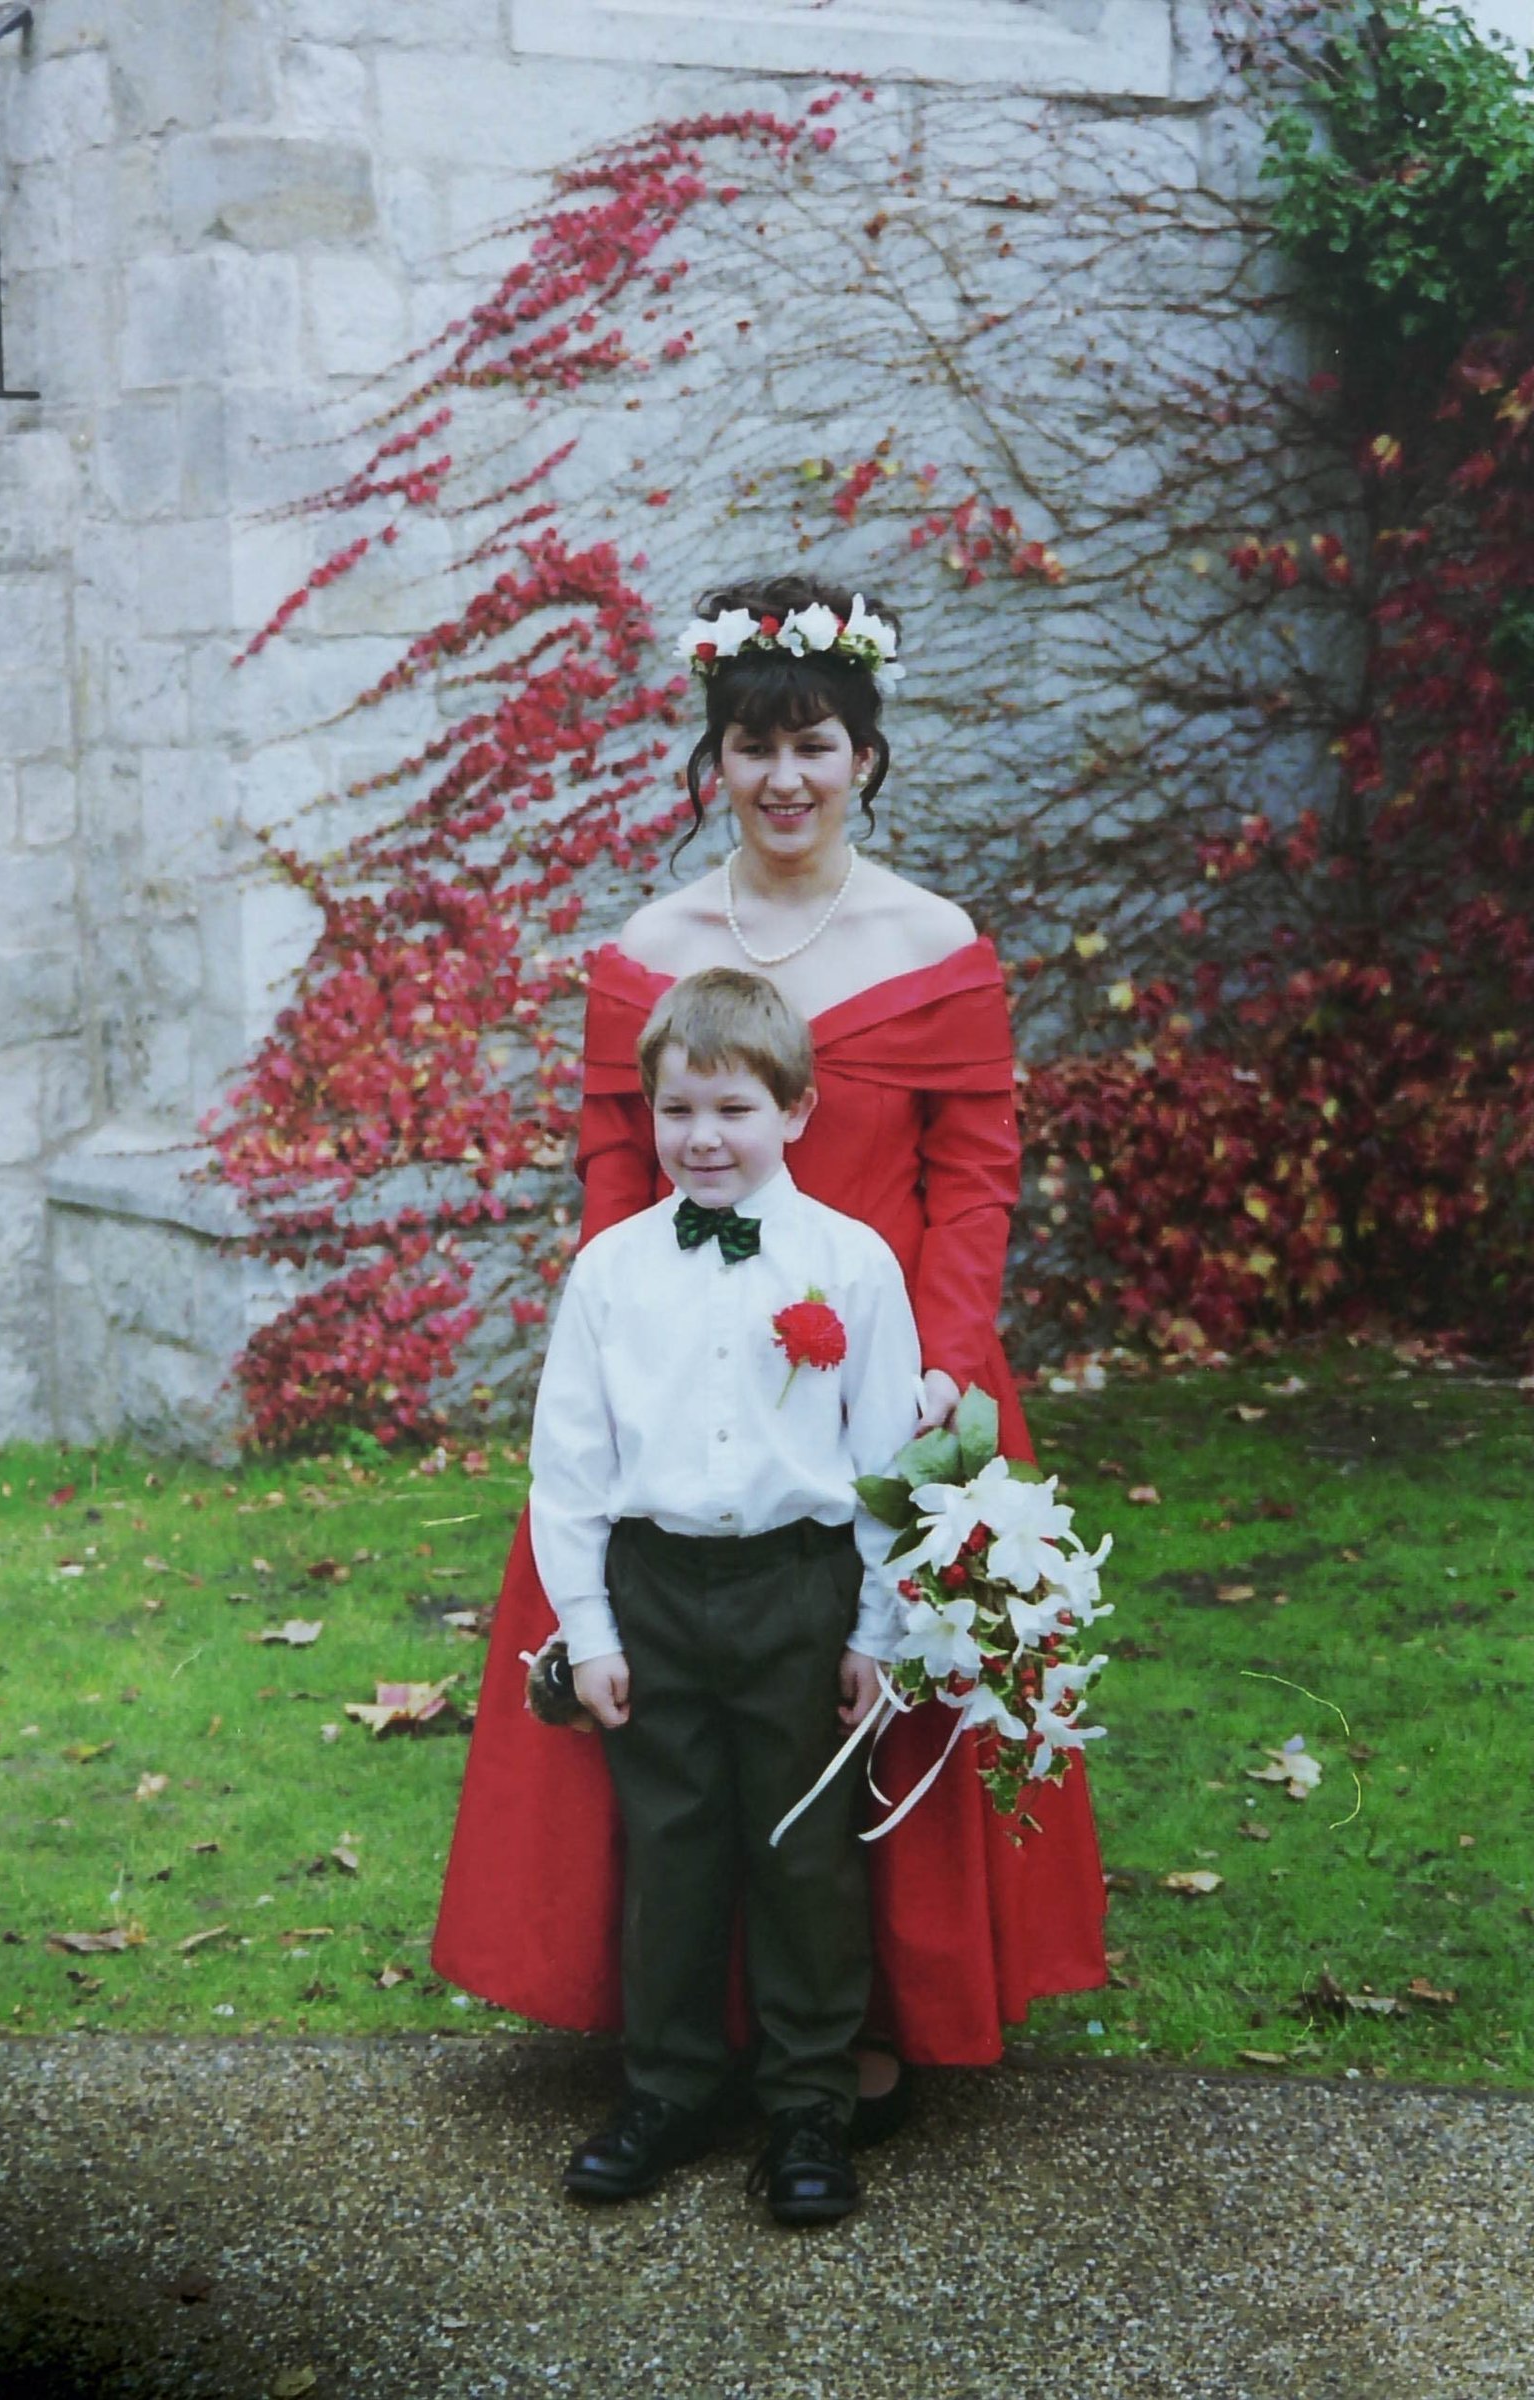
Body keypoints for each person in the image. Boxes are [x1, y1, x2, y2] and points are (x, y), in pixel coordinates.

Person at [433, 571, 1107, 2128]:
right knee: (664, 1717)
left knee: (870, 1695)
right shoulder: (649, 948)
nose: (785, 779)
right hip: (689, 1386)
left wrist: (944, 1372)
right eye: (755, 747)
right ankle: (685, 2030)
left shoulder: (936, 944)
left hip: (891, 1382)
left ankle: (868, 2025)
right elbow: (616, 1181)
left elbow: (975, 1184)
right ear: (714, 761)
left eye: (815, 745)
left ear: (865, 755)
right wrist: (626, 1363)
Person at [533, 967, 922, 2221]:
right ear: (648, 1113)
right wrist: (588, 1629)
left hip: (798, 1587)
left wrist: (876, 1629)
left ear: (796, 1111)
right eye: (678, 1110)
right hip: (653, 1589)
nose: (703, 1138)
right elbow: (568, 1463)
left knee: (805, 1854)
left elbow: (888, 1464)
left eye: (734, 1110)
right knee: (672, 1848)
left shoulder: (850, 1263)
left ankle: (808, 2105)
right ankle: (669, 2086)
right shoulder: (610, 1271)